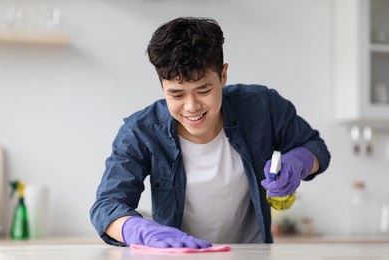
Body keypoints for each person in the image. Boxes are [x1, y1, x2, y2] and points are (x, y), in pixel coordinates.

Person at [90, 17, 331, 248]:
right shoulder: (141, 132)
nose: (192, 107)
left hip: (253, 253)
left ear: (223, 75)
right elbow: (107, 206)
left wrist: (298, 163)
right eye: (176, 94)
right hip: (179, 256)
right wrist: (140, 230)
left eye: (203, 90)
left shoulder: (262, 106)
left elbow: (315, 147)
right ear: (162, 87)